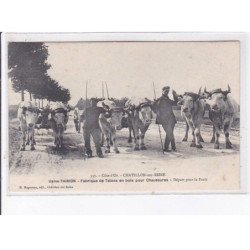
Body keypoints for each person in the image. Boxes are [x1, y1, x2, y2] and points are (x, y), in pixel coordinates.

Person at [153, 86, 179, 152]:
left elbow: (175, 103)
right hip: (164, 119)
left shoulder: (168, 99)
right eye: (165, 91)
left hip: (171, 119)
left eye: (168, 91)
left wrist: (175, 96)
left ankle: (173, 147)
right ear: (162, 91)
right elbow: (154, 109)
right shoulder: (159, 100)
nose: (167, 92)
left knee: (170, 133)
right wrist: (155, 106)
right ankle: (166, 148)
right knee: (169, 133)